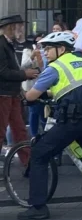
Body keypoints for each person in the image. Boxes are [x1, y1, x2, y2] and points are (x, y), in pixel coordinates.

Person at [18, 31, 82, 220]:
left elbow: (31, 95)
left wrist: (24, 97)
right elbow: (73, 86)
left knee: (39, 154)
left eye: (48, 49)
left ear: (61, 49)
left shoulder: (55, 67)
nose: (45, 53)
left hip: (73, 118)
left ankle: (38, 207)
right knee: (76, 138)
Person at [1, 15, 40, 163]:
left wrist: (22, 83)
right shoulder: (2, 44)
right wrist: (25, 74)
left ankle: (28, 162)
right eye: (19, 26)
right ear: (11, 27)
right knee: (4, 130)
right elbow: (3, 72)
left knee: (20, 130)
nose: (21, 29)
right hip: (3, 94)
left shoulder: (8, 44)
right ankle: (27, 161)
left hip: (11, 94)